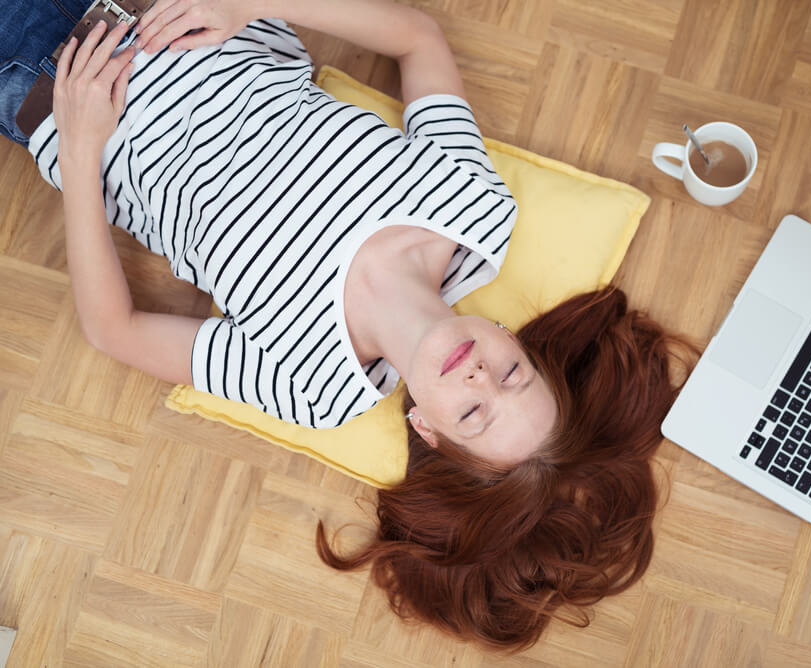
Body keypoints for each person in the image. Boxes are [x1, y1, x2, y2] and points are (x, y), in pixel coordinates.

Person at [2, 0, 692, 650]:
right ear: (519, 344)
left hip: (45, 82)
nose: (483, 374)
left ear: (428, 429)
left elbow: (114, 331)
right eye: (515, 373)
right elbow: (417, 37)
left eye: (476, 413)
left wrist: (84, 143)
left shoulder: (317, 385)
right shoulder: (476, 212)